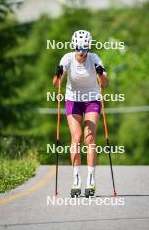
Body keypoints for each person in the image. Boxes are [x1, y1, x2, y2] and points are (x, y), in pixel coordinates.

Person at [53, 30, 109, 197]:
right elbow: (56, 84)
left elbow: (105, 84)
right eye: (78, 47)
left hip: (92, 100)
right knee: (76, 138)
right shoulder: (67, 58)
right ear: (74, 46)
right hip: (73, 100)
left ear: (88, 47)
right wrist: (57, 74)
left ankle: (91, 180)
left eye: (84, 47)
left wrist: (100, 72)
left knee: (89, 138)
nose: (81, 51)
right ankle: (76, 179)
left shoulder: (95, 58)